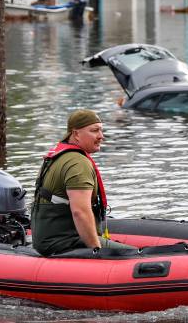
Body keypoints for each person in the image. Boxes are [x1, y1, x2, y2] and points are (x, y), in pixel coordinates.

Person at [31, 109, 135, 255]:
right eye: (94, 131)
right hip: (64, 241)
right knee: (134, 254)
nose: (101, 136)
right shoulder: (78, 163)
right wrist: (97, 250)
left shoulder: (59, 156)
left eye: (101, 130)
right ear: (76, 134)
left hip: (47, 239)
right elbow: (80, 212)